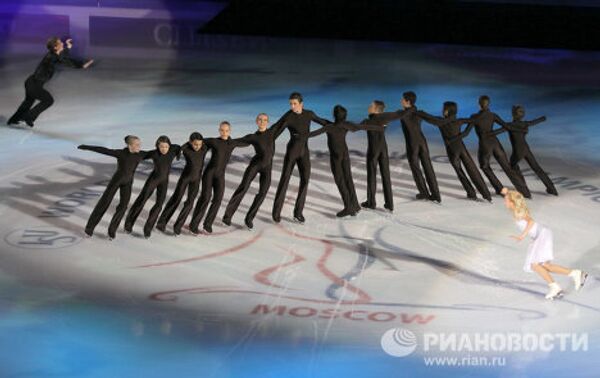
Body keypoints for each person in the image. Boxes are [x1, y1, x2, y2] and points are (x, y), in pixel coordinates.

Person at [501, 188, 587, 299]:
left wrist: (522, 236)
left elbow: (531, 221)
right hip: (541, 235)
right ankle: (575, 274)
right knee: (545, 265)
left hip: (542, 235)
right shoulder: (516, 209)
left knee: (535, 265)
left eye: (506, 200)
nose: (505, 202)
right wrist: (507, 192)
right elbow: (516, 197)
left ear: (512, 202)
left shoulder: (519, 211)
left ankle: (555, 287)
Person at [308, 105, 386, 217]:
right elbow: (362, 127)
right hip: (345, 155)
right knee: (348, 179)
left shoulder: (329, 127)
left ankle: (348, 207)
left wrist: (300, 135)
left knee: (340, 180)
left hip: (336, 157)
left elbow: (314, 133)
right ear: (345, 116)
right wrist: (381, 128)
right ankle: (355, 205)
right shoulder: (346, 125)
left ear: (334, 115)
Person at [269, 92, 330, 223]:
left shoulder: (309, 114)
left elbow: (322, 121)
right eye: (290, 104)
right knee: (285, 179)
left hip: (304, 152)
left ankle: (298, 212)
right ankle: (276, 212)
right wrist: (266, 139)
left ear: (301, 104)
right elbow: (277, 128)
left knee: (305, 180)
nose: (292, 106)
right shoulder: (289, 116)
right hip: (292, 151)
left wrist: (336, 125)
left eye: (294, 104)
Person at [7, 37, 94, 127]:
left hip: (31, 82)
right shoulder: (51, 57)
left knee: (28, 102)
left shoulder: (54, 55)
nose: (62, 43)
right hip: (34, 85)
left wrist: (68, 48)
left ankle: (13, 120)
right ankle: (28, 117)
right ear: (56, 47)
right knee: (48, 100)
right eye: (60, 42)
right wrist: (82, 65)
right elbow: (64, 60)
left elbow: (62, 57)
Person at [78, 135, 149, 239]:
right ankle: (89, 229)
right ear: (129, 145)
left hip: (128, 183)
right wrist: (87, 147)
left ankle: (112, 231)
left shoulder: (140, 154)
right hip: (116, 181)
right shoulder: (121, 153)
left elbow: (155, 153)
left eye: (140, 144)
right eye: (137, 144)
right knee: (104, 202)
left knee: (123, 206)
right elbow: (104, 150)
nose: (139, 146)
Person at [417, 102, 492, 201]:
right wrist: (462, 135)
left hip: (452, 151)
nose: (442, 110)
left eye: (443, 109)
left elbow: (429, 118)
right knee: (473, 171)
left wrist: (419, 112)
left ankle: (471, 193)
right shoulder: (459, 121)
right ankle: (486, 194)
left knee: (460, 172)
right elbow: (473, 121)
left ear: (446, 111)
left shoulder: (441, 121)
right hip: (462, 148)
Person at [222, 113, 285, 229]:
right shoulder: (253, 137)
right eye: (260, 120)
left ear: (268, 121)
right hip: (255, 165)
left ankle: (249, 218)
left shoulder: (272, 133)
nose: (262, 122)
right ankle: (227, 217)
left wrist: (294, 112)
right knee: (243, 187)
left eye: (265, 120)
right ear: (257, 121)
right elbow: (238, 142)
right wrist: (226, 140)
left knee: (263, 192)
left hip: (267, 167)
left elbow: (283, 121)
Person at [461, 96, 531, 197]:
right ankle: (526, 192)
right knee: (507, 167)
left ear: (479, 104)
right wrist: (494, 132)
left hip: (485, 145)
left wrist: (455, 137)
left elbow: (466, 132)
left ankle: (500, 189)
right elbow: (506, 126)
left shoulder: (475, 117)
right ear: (488, 104)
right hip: (496, 143)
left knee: (484, 166)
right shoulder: (492, 115)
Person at [189, 122, 250, 234]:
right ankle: (194, 224)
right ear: (219, 130)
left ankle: (207, 224)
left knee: (218, 199)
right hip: (209, 173)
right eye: (222, 130)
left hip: (220, 175)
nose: (224, 132)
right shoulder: (214, 141)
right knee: (206, 198)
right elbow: (197, 141)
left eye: (226, 130)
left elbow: (245, 142)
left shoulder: (232, 143)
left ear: (230, 131)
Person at [486, 106, 557, 196]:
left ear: (513, 114)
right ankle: (552, 188)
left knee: (512, 166)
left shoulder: (510, 125)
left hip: (518, 151)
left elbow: (499, 131)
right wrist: (542, 119)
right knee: (536, 168)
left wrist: (488, 133)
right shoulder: (524, 124)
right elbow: (534, 122)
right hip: (526, 150)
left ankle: (523, 188)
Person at [360, 100, 415, 211]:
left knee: (372, 175)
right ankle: (389, 203)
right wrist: (411, 108)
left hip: (373, 150)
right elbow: (399, 114)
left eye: (371, 105)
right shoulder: (384, 117)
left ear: (376, 109)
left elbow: (354, 127)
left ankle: (371, 202)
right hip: (383, 149)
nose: (369, 106)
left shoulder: (368, 120)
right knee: (386, 176)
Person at [124, 136, 181, 238]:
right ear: (157, 146)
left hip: (164, 182)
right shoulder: (154, 153)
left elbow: (177, 147)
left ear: (169, 146)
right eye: (161, 147)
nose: (164, 149)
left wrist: (178, 154)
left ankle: (148, 228)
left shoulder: (172, 150)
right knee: (142, 200)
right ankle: (128, 224)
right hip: (153, 180)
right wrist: (129, 152)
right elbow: (140, 155)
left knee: (159, 205)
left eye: (166, 147)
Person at [157, 132, 208, 235]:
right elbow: (177, 148)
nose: (197, 146)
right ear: (190, 142)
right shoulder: (186, 150)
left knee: (190, 203)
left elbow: (208, 143)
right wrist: (181, 149)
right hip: (185, 178)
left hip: (196, 179)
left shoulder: (204, 148)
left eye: (199, 144)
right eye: (195, 144)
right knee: (176, 199)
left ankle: (178, 226)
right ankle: (161, 222)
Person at [399, 91, 441, 202]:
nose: (401, 101)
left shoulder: (403, 114)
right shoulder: (419, 112)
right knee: (428, 168)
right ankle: (436, 194)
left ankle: (424, 193)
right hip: (422, 142)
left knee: (416, 168)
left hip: (412, 144)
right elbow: (435, 121)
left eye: (402, 99)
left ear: (407, 101)